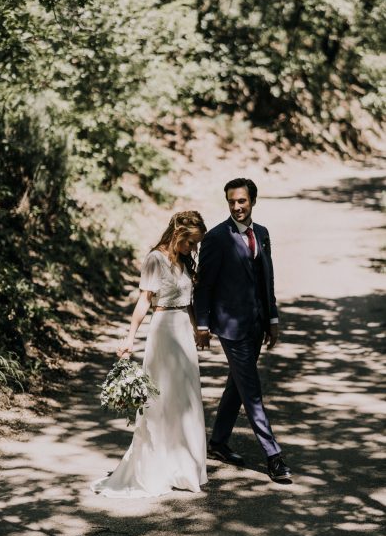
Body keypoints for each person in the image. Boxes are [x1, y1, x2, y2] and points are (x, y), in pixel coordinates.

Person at [91, 211, 208, 498]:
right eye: (191, 242)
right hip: (164, 330)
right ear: (179, 233)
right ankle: (158, 466)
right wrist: (130, 338)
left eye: (195, 244)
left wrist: (197, 329)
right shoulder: (155, 259)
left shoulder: (183, 261)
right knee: (163, 400)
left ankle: (184, 466)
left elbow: (188, 301)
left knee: (187, 399)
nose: (193, 248)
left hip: (183, 331)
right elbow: (144, 301)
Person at [193, 178, 292, 481]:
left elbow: (267, 279)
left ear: (252, 201)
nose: (237, 207)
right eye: (232, 202)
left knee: (237, 384)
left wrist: (272, 319)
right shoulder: (216, 238)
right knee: (251, 390)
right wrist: (202, 324)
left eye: (242, 201)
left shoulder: (261, 234)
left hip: (257, 324)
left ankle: (219, 442)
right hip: (231, 327)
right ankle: (273, 456)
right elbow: (204, 285)